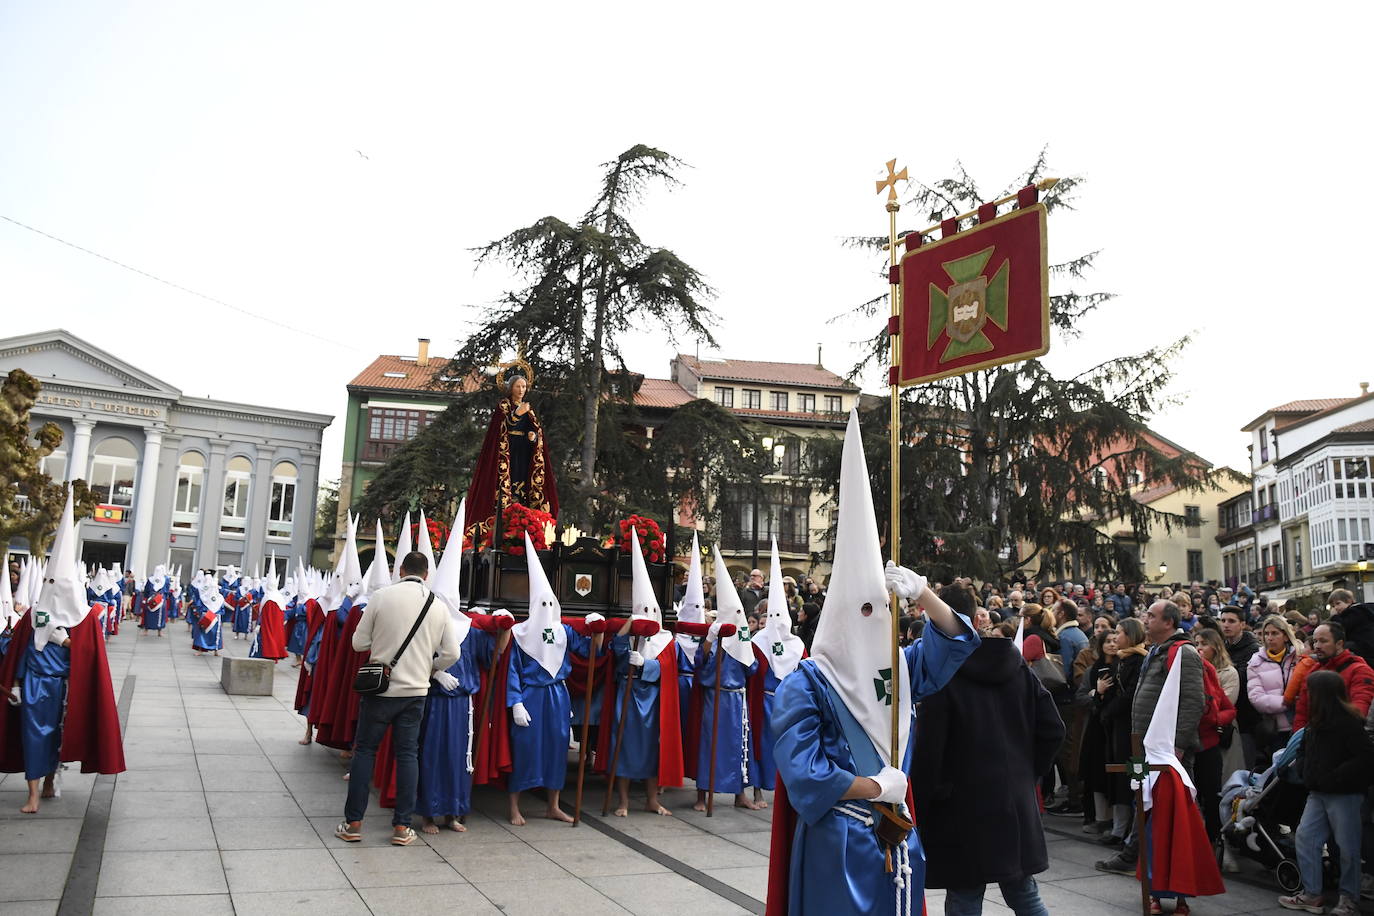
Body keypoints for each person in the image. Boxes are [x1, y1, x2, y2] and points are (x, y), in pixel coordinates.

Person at [765, 410, 979, 916]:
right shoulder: (807, 684)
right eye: (865, 610)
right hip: (838, 842)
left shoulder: (899, 667)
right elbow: (805, 775)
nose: (876, 620)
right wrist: (876, 787)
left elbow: (956, 642)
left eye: (882, 609)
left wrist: (923, 595)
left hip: (898, 835)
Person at [914, 585, 1064, 916]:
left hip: (961, 804)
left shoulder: (942, 674)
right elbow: (1053, 728)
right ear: (977, 618)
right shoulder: (1016, 665)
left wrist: (922, 801)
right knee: (1023, 893)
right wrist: (1026, 773)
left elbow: (929, 750)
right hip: (1013, 799)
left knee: (966, 897)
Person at [0, 492, 125, 813]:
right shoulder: (33, 614)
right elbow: (18, 650)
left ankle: (50, 778)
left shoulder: (84, 619)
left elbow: (90, 657)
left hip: (66, 688)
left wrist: (64, 641)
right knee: (32, 736)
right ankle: (32, 794)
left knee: (59, 737)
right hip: (33, 685)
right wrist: (15, 683)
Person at [336, 551, 459, 847]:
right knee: (407, 755)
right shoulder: (438, 606)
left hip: (381, 689)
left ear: (400, 570)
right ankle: (402, 827)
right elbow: (453, 653)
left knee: (365, 752)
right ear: (426, 575)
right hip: (415, 691)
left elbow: (358, 643)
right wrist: (431, 667)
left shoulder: (381, 597)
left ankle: (353, 824)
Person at [1096, 601, 1203, 878]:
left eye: (1152, 616)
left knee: (1179, 804)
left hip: (1167, 749)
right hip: (1144, 744)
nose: (1145, 619)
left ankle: (1189, 863)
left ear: (1168, 622)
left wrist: (1178, 745)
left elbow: (1193, 702)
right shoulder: (1155, 650)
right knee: (1142, 798)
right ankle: (1135, 853)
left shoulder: (1183, 653)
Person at [505, 533, 594, 826]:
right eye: (541, 603)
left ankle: (553, 805)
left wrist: (596, 630)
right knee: (525, 747)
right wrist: (516, 703)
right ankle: (514, 805)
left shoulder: (564, 632)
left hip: (557, 695)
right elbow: (512, 670)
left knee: (557, 746)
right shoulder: (520, 634)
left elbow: (587, 651)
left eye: (550, 603)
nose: (546, 608)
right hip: (530, 695)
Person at [1278, 671, 1374, 916]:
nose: (1305, 696)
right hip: (1318, 791)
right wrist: (1305, 769)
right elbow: (1303, 751)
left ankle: (1349, 899)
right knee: (1306, 838)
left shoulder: (1348, 723)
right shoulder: (1315, 723)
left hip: (1344, 794)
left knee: (1347, 848)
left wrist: (1334, 776)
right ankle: (1312, 893)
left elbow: (1365, 757)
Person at [464, 365, 559, 549]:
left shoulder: (528, 409)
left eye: (524, 387)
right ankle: (504, 518)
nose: (521, 390)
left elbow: (535, 431)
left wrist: (533, 437)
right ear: (510, 388)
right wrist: (517, 414)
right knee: (507, 484)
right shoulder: (504, 405)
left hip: (524, 453)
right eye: (518, 386)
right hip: (506, 453)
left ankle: (524, 512)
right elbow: (502, 426)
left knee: (524, 484)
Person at [749, 541, 805, 807]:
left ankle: (789, 791)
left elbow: (805, 674)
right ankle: (758, 790)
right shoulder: (758, 641)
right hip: (764, 701)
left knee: (790, 747)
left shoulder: (797, 645)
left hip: (788, 704)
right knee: (761, 744)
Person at [1292, 622, 1374, 730]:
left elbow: (1360, 710)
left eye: (1323, 641)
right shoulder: (1314, 670)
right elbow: (1302, 711)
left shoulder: (1359, 671)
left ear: (1339, 644)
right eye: (1315, 641)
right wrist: (1299, 736)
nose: (1317, 646)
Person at [1247, 614, 1300, 766]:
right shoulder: (1255, 662)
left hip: (1301, 724)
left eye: (1275, 633)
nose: (1270, 638)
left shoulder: (1300, 656)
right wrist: (1287, 701)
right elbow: (1256, 698)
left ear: (1285, 636)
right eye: (1267, 634)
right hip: (1276, 730)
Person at [1218, 606, 1261, 767]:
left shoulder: (1253, 649)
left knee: (1244, 763)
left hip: (1245, 715)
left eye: (1231, 621)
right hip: (1226, 715)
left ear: (1242, 624)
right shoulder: (1221, 647)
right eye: (1223, 620)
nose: (1226, 625)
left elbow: (1242, 678)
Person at [1327, 588, 1374, 669]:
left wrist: (1334, 616)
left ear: (1348, 601)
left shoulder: (1356, 611)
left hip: (1365, 648)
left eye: (1338, 603)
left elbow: (1341, 627)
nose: (1336, 608)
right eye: (1333, 606)